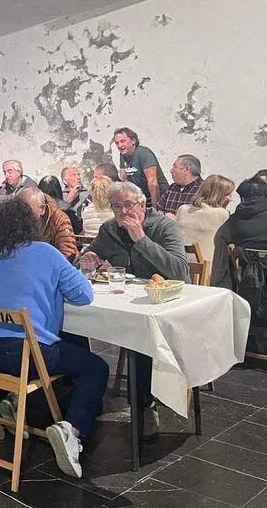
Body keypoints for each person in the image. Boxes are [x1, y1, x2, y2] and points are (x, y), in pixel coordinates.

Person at [0, 198, 104, 479]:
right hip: (26, 353)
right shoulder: (45, 253)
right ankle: (72, 430)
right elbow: (84, 295)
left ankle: (14, 404)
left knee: (69, 350)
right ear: (33, 224)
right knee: (95, 367)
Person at [79, 181, 188, 438]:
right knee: (70, 321)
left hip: (163, 306)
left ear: (142, 204)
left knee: (140, 335)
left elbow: (181, 272)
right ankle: (78, 397)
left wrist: (142, 240)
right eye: (116, 207)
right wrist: (87, 259)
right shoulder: (109, 230)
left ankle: (144, 406)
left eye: (128, 205)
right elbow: (87, 257)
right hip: (123, 302)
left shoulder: (164, 227)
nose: (123, 212)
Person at [176, 175, 234, 267]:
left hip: (180, 265)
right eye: (228, 195)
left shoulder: (182, 209)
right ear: (218, 195)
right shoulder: (222, 214)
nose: (231, 199)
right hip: (208, 268)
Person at [113, 127, 168, 209]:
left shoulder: (143, 153)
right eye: (117, 143)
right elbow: (124, 179)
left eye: (123, 141)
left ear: (133, 141)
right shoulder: (123, 154)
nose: (120, 146)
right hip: (142, 199)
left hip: (160, 198)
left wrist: (155, 207)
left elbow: (152, 182)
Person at [19, 186, 77, 261]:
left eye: (28, 210)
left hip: (50, 263)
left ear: (42, 209)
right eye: (19, 209)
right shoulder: (14, 218)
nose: (22, 214)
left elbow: (68, 252)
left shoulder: (58, 219)